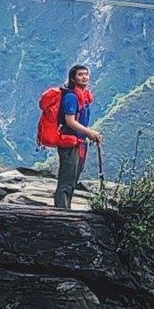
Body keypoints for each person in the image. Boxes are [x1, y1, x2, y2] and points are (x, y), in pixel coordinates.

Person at [54, 63, 101, 210]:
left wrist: (89, 134)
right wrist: (90, 133)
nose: (84, 77)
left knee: (73, 178)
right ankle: (62, 211)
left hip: (79, 142)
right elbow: (70, 121)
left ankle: (66, 208)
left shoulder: (84, 97)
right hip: (69, 143)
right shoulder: (71, 98)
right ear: (73, 78)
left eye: (86, 74)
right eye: (80, 74)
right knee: (67, 179)